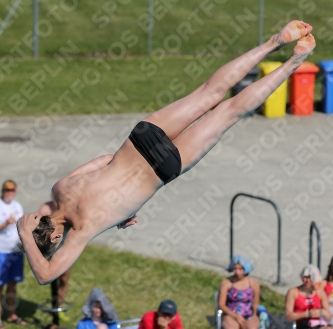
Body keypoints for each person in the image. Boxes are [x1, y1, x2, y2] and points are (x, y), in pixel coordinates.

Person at [16, 21, 316, 285]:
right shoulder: (61, 188)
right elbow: (106, 159)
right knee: (209, 92)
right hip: (141, 139)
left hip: (163, 167)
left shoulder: (83, 229)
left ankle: (293, 63)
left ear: (55, 238)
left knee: (230, 111)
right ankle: (275, 41)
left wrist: (119, 207)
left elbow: (45, 276)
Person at [218, 255, 260, 329]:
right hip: (231, 313)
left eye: (240, 269)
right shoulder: (227, 283)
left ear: (246, 269)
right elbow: (221, 305)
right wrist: (234, 315)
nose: (237, 272)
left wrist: (255, 314)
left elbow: (255, 302)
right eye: (235, 268)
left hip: (247, 314)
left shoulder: (253, 283)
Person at [0, 180, 25, 329]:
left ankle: (12, 314)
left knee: (13, 285)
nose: (9, 192)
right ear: (3, 191)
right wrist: (5, 223)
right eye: (7, 190)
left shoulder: (17, 206)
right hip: (1, 251)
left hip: (15, 252)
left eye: (12, 190)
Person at [39, 200, 71, 312]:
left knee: (64, 279)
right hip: (52, 247)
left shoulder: (68, 206)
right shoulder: (46, 207)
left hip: (65, 247)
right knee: (52, 278)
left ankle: (59, 306)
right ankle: (54, 306)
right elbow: (40, 228)